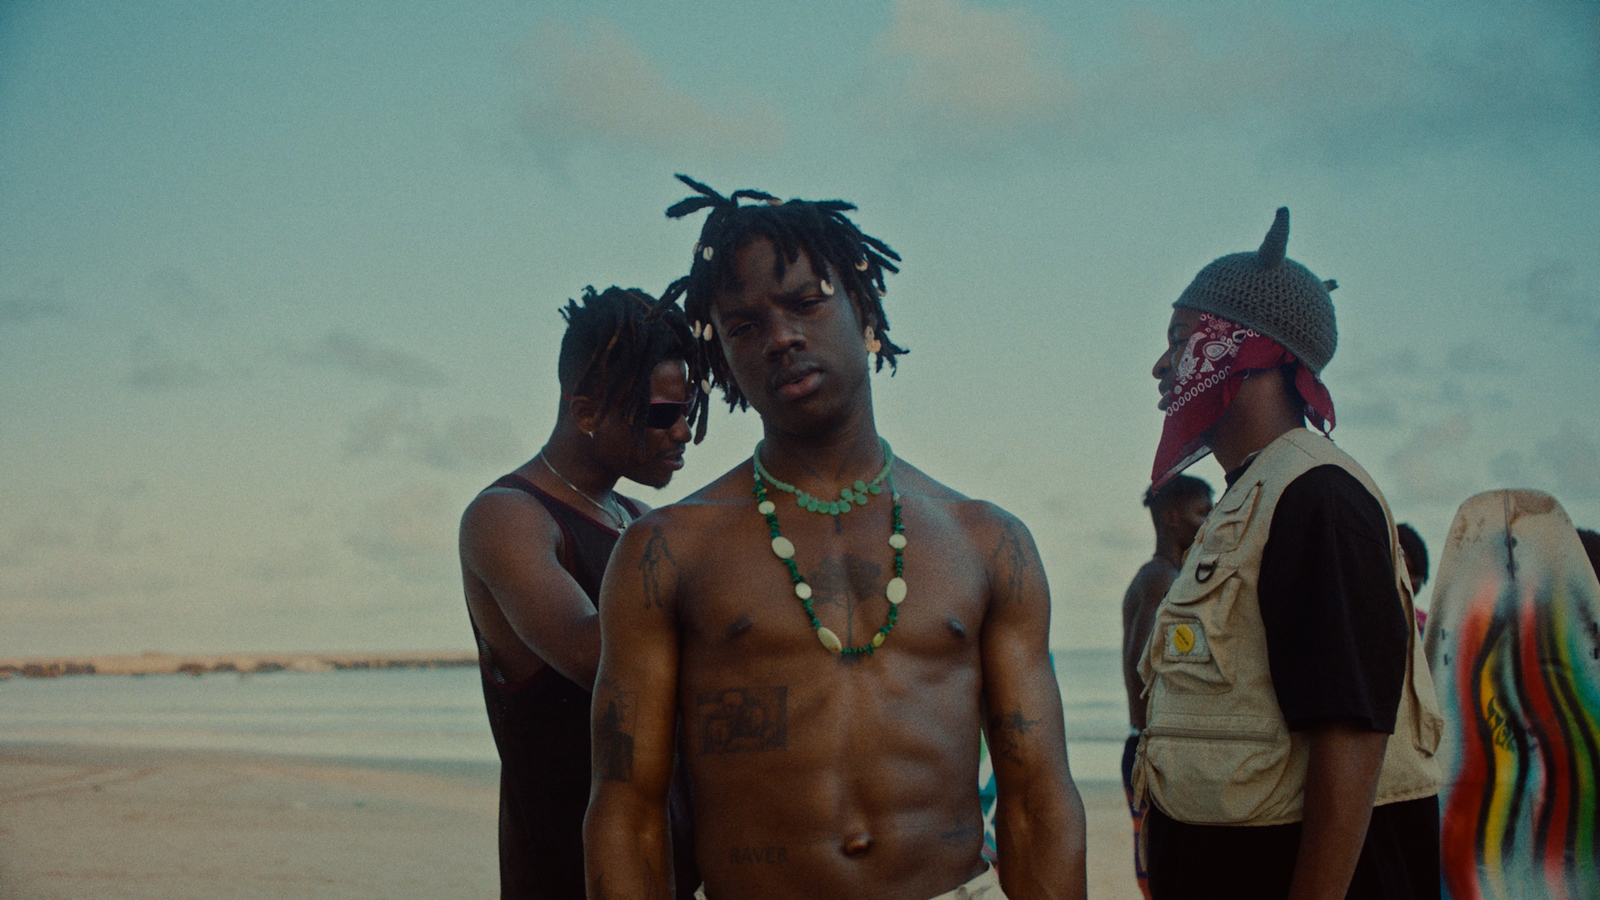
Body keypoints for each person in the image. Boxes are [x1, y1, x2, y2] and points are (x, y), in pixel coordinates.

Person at [584, 176, 1087, 900]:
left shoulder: (987, 541)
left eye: (805, 303)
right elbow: (626, 813)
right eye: (745, 326)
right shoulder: (667, 551)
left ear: (864, 311)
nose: (781, 337)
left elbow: (1039, 800)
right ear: (723, 357)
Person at [1137, 208, 1444, 899]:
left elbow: (1351, 734)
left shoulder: (1319, 498)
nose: (1161, 364)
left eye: (1183, 340)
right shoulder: (1249, 498)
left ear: (1248, 350)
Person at [459, 285, 697, 900]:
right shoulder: (508, 517)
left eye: (690, 411)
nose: (683, 433)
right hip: (563, 869)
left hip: (666, 861)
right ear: (586, 412)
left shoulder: (640, 518)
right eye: (661, 413)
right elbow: (606, 660)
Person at [1120, 474, 1212, 899]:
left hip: (1151, 750)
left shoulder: (1169, 575)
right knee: (1166, 878)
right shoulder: (1161, 577)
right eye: (1203, 512)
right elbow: (1144, 668)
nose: (1211, 522)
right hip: (1153, 754)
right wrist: (1158, 748)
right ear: (1172, 517)